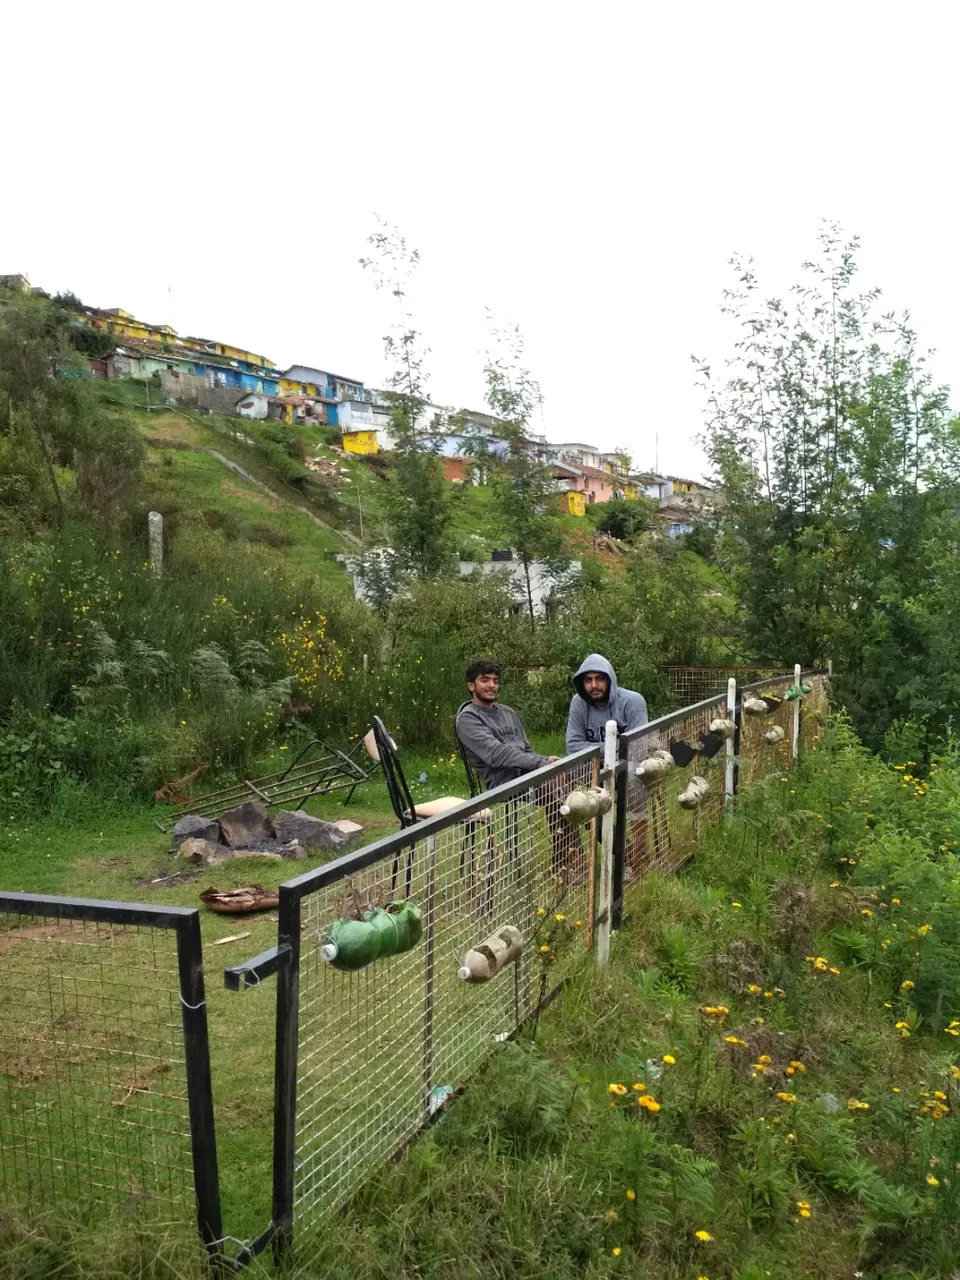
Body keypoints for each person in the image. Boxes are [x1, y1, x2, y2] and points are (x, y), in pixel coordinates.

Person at [455, 658, 578, 879]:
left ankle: (570, 858)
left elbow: (527, 749)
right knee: (557, 788)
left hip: (528, 773)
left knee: (568, 783)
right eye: (485, 680)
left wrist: (545, 760)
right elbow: (496, 755)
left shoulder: (508, 713)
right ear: (471, 686)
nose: (492, 685)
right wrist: (542, 763)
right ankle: (567, 863)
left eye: (495, 680)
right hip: (503, 782)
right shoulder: (468, 718)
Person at [566, 654, 648, 753]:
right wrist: (618, 746)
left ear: (609, 680)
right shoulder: (578, 703)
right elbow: (573, 747)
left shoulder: (632, 702)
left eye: (600, 678)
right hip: (590, 767)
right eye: (588, 680)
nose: (594, 685)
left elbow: (638, 746)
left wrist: (592, 751)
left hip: (629, 767)